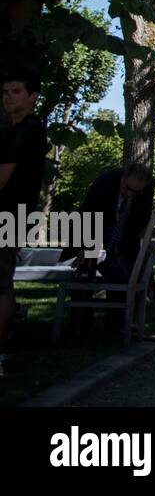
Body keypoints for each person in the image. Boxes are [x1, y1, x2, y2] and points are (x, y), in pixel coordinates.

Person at [0, 69, 48, 376]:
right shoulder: (25, 129)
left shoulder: (24, 130)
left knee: (0, 285)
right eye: (5, 92)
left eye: (15, 91)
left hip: (6, 215)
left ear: (32, 97)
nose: (8, 97)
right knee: (3, 281)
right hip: (16, 215)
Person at [69, 164, 155, 335]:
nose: (131, 194)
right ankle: (81, 325)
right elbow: (89, 216)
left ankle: (116, 324)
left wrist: (120, 247)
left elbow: (142, 216)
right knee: (85, 270)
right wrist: (86, 248)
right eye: (128, 189)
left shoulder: (147, 186)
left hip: (126, 229)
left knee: (122, 270)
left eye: (136, 192)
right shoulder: (104, 183)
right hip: (94, 224)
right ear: (123, 179)